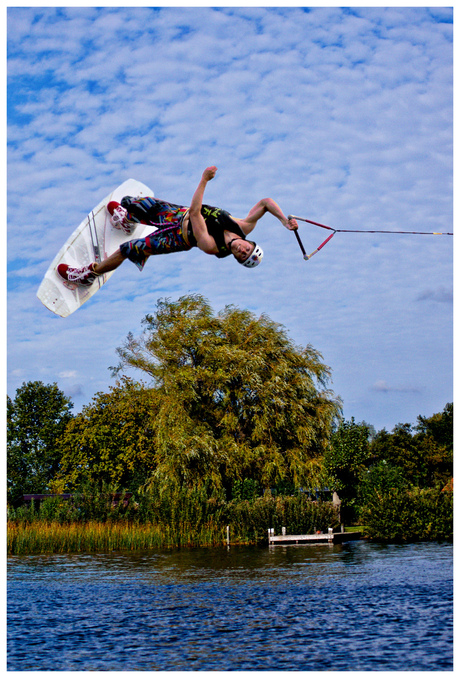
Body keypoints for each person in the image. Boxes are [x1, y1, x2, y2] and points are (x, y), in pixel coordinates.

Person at [57, 166, 299, 286]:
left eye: (242, 257)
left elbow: (196, 212)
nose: (242, 251)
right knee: (128, 202)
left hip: (176, 238)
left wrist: (204, 180)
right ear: (249, 242)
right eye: (247, 249)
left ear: (235, 258)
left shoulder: (212, 247)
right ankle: (128, 220)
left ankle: (90, 274)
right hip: (176, 214)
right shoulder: (244, 226)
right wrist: (283, 221)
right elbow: (266, 203)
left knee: (129, 249)